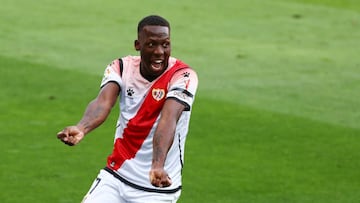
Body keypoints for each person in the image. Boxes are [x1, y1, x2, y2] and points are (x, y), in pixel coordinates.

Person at [57, 15, 198, 203]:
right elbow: (103, 102)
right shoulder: (121, 67)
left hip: (155, 187)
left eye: (165, 44)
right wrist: (82, 127)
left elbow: (168, 119)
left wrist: (157, 165)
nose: (159, 52)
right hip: (116, 176)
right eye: (151, 45)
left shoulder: (183, 76)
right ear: (138, 45)